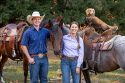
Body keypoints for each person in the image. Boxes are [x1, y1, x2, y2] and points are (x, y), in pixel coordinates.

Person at [21, 11, 50, 83]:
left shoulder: (45, 31)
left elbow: (55, 35)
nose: (37, 20)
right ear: (32, 20)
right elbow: (23, 45)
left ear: (40, 20)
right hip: (34, 59)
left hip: (44, 58)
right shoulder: (28, 32)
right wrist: (29, 58)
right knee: (34, 80)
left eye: (38, 19)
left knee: (44, 80)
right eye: (35, 19)